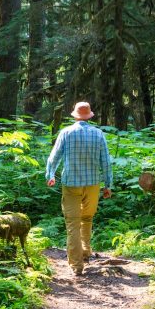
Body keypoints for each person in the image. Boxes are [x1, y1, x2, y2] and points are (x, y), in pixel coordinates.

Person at [45, 101, 113, 277]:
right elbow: (105, 162)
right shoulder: (98, 134)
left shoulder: (66, 133)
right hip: (92, 184)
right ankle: (85, 251)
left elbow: (54, 157)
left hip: (71, 184)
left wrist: (50, 175)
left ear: (75, 116)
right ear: (89, 116)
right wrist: (108, 185)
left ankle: (77, 265)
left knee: (72, 223)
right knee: (87, 217)